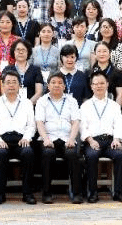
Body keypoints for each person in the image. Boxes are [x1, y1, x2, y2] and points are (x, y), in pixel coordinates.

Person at [0, 71, 37, 205]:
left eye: (14, 82)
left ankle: (27, 193)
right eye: (8, 82)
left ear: (19, 85)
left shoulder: (27, 103)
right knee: (1, 154)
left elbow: (31, 126)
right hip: (2, 139)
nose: (11, 85)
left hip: (21, 139)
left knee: (28, 153)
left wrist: (27, 138)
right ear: (2, 85)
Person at [79, 71, 122, 203]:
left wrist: (117, 139)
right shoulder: (85, 106)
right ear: (91, 86)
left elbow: (118, 124)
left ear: (107, 84)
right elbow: (82, 127)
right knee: (91, 156)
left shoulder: (114, 105)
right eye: (96, 84)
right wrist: (90, 140)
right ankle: (93, 192)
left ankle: (118, 192)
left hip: (110, 140)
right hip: (93, 141)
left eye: (102, 83)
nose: (99, 86)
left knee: (120, 155)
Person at [34, 72, 83, 204]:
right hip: (48, 138)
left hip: (67, 138)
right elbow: (39, 122)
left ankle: (76, 193)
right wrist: (45, 139)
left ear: (64, 86)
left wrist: (72, 139)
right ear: (48, 85)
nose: (57, 85)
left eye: (60, 83)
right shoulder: (42, 101)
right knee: (47, 153)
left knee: (73, 154)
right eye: (53, 82)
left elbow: (75, 122)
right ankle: (46, 193)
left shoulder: (71, 101)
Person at [6, 40, 43, 104]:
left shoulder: (36, 70)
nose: (21, 52)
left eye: (23, 50)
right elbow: (4, 91)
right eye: (18, 50)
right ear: (14, 52)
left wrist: (27, 105)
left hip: (31, 106)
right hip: (11, 106)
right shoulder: (7, 70)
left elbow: (39, 92)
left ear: (28, 52)